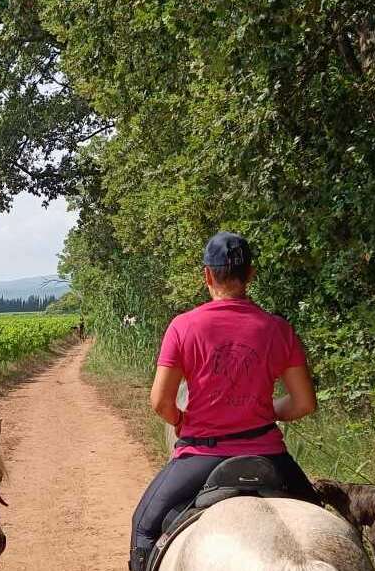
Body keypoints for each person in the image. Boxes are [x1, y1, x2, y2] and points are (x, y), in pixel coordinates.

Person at [129, 232, 319, 571]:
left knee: (144, 526)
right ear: (250, 275)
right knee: (318, 520)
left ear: (207, 275)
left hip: (202, 455)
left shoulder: (183, 327)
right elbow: (304, 404)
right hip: (270, 457)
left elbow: (160, 402)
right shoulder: (278, 329)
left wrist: (181, 421)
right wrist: (265, 411)